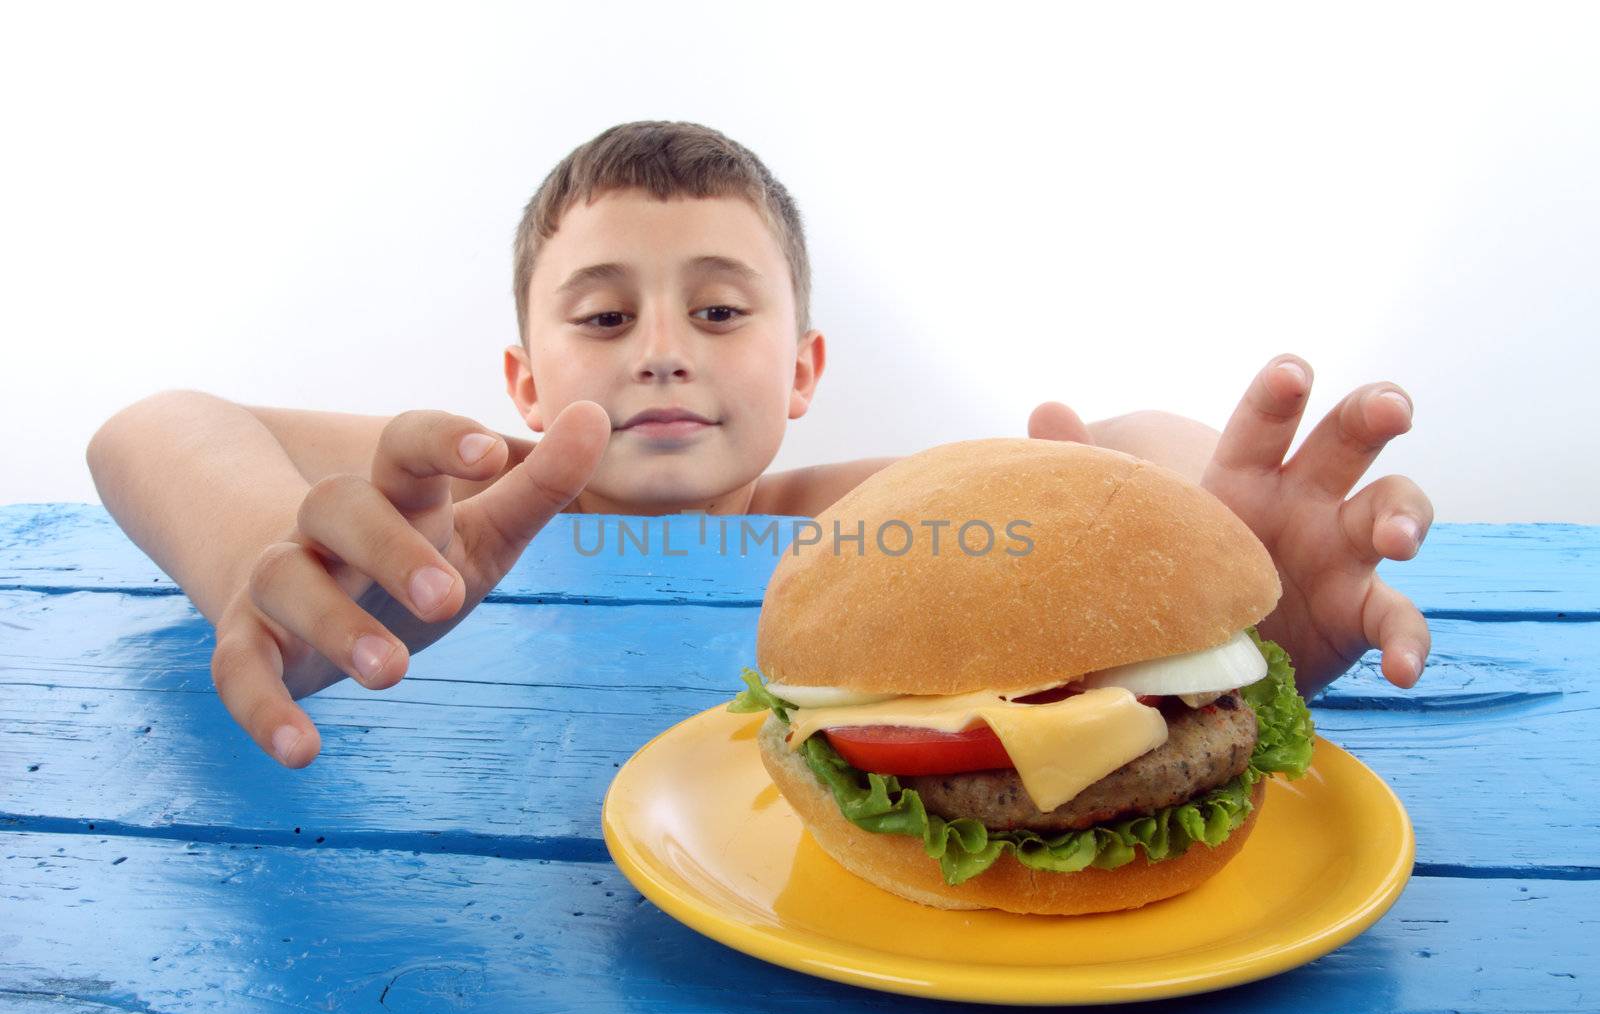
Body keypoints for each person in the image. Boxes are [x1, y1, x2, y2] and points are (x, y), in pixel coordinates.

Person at [85, 120, 1434, 769]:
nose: (662, 346)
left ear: (802, 372)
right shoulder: (458, 492)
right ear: (522, 373)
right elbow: (150, 427)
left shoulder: (861, 513)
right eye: (605, 314)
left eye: (718, 311)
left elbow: (1122, 445)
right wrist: (265, 551)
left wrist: (1224, 546)